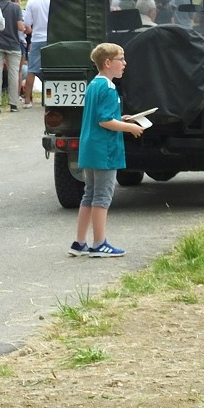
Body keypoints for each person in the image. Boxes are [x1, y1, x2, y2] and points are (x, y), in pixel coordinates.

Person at [69, 43, 144, 258]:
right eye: (121, 59)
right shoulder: (110, 88)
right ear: (108, 63)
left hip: (90, 148)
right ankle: (99, 243)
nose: (124, 63)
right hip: (105, 150)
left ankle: (80, 242)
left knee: (89, 194)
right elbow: (105, 121)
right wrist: (129, 127)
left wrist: (121, 119)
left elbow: (101, 117)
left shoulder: (94, 84)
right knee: (102, 196)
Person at [22, 0, 53, 108]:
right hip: (52, 39)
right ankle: (49, 98)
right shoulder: (55, 0)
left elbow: (27, 25)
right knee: (52, 71)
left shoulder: (32, 1)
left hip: (37, 38)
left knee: (32, 70)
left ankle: (28, 100)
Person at [0, 0, 25, 112]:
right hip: (13, 44)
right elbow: (20, 26)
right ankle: (13, 103)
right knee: (13, 73)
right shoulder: (15, 7)